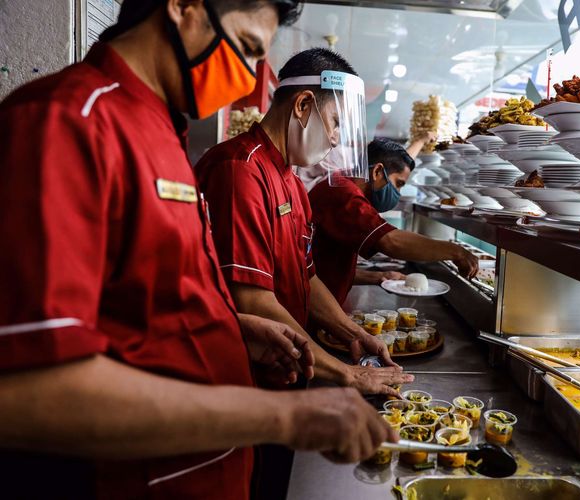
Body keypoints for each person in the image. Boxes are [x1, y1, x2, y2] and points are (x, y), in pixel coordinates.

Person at [0, 1, 397, 499]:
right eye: (248, 47)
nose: (249, 78)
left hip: (210, 468)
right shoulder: (67, 122)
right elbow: (31, 389)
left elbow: (146, 303)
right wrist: (286, 415)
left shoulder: (161, 132)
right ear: (183, 7)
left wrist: (233, 332)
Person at [194, 48, 412, 394]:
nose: (338, 138)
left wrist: (354, 334)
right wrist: (347, 373)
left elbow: (306, 279)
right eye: (336, 121)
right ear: (302, 106)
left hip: (287, 368)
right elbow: (251, 301)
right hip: (243, 381)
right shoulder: (240, 171)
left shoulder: (292, 182)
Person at [309, 138, 480, 305]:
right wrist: (456, 251)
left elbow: (327, 268)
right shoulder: (345, 194)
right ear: (377, 171)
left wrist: (379, 277)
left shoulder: (341, 183)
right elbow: (391, 241)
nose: (397, 193)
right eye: (398, 184)